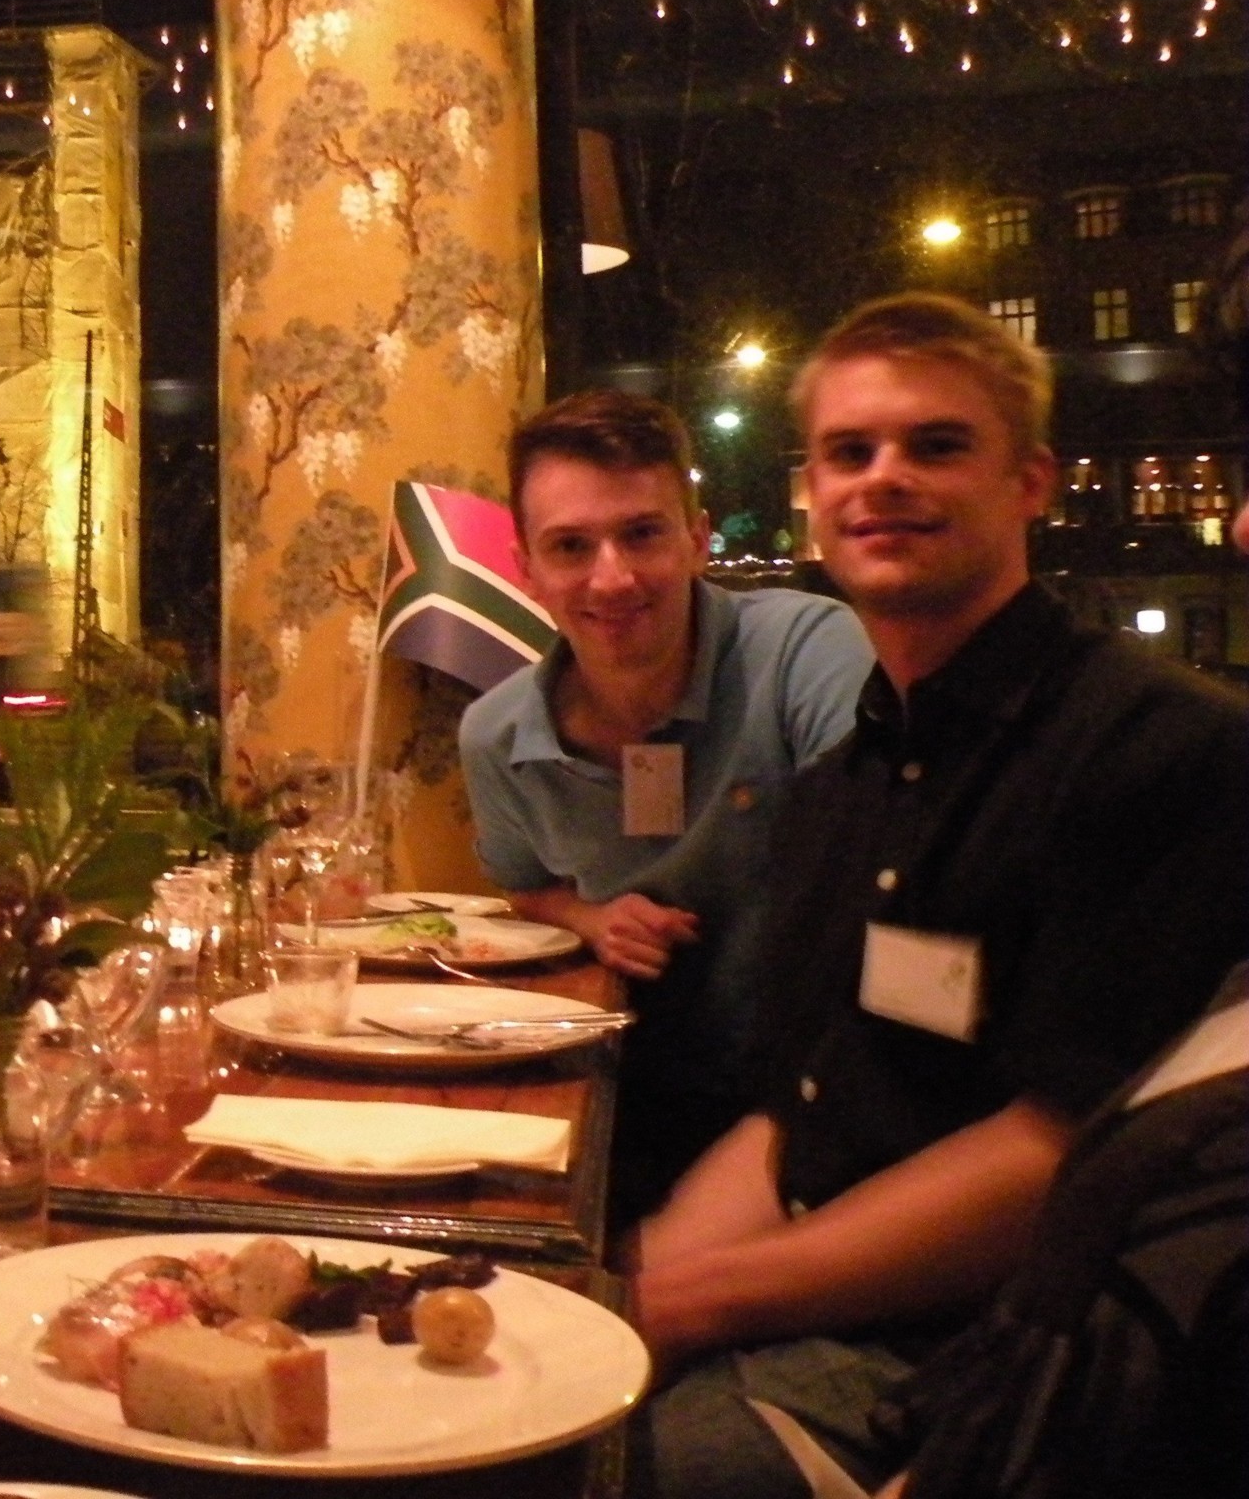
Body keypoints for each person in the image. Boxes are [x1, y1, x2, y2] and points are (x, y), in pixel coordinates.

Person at [626, 294, 1249, 1499]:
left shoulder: (1164, 749)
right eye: (849, 453)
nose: (884, 479)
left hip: (995, 1347)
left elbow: (1056, 1159)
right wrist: (613, 1284)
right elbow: (793, 1121)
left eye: (936, 445)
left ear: (1031, 481)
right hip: (806, 1280)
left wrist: (680, 1305)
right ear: (809, 492)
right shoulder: (831, 794)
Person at [458, 391, 873, 1216]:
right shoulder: (494, 735)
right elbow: (524, 888)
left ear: (696, 536)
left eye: (641, 533)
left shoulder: (807, 652)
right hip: (623, 1097)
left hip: (821, 1097)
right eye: (571, 546)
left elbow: (895, 853)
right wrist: (590, 918)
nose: (611, 577)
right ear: (527, 570)